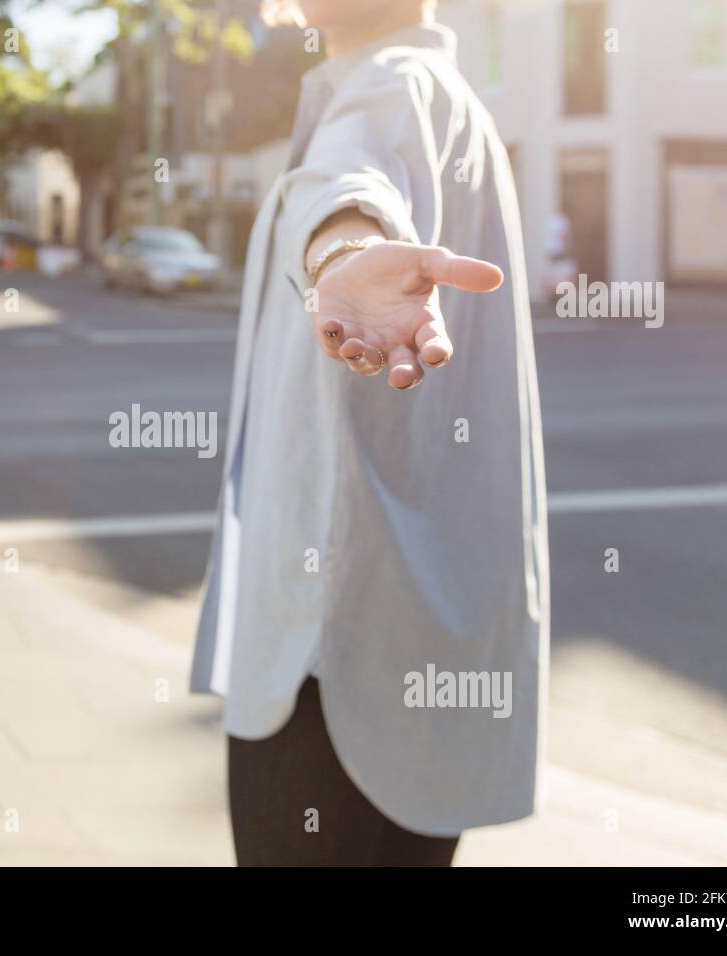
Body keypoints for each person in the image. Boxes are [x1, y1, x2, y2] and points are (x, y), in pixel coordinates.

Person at [190, 0, 550, 866]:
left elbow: (350, 187)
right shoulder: (427, 94)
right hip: (413, 650)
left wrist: (340, 255)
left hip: (337, 662)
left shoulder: (397, 86)